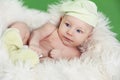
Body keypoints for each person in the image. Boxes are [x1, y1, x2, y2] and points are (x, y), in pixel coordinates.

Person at [29, 0, 98, 60]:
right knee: (21, 25)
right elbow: (37, 33)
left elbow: (70, 68)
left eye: (78, 31)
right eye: (67, 25)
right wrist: (34, 44)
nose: (69, 32)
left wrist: (60, 57)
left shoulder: (75, 54)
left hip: (39, 63)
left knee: (47, 61)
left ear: (88, 37)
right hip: (27, 50)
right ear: (61, 20)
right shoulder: (51, 30)